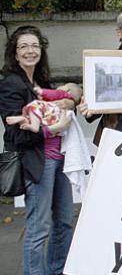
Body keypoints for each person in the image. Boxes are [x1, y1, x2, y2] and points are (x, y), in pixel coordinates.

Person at [0, 25, 75, 275]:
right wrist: (53, 129)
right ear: (15, 52)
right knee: (39, 228)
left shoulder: (41, 82)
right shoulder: (11, 84)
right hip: (38, 163)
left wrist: (66, 102)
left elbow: (60, 105)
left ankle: (56, 270)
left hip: (60, 159)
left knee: (64, 221)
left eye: (35, 45)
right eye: (24, 46)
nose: (30, 51)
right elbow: (14, 134)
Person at [78, 9, 122, 146]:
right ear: (119, 33)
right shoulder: (105, 63)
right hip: (113, 132)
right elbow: (94, 111)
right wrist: (89, 107)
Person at [6, 83, 82, 133]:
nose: (60, 86)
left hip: (47, 116)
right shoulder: (67, 105)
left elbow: (52, 94)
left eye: (64, 85)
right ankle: (25, 120)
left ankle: (27, 121)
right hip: (51, 122)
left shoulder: (62, 93)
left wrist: (41, 91)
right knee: (37, 117)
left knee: (36, 105)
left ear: (68, 91)